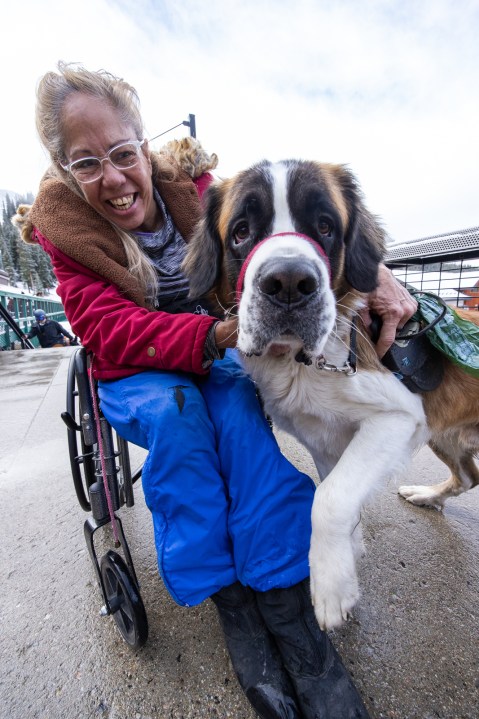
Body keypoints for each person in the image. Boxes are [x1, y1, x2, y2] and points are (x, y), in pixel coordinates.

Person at [17, 63, 416, 719]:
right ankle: (233, 605)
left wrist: (377, 278)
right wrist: (208, 340)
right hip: (138, 370)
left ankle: (286, 602)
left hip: (220, 352)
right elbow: (105, 328)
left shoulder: (199, 189)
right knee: (180, 422)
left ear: (142, 145)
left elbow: (295, 228)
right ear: (63, 168)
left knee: (240, 419)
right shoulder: (62, 230)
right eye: (86, 163)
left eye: (123, 153)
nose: (114, 178)